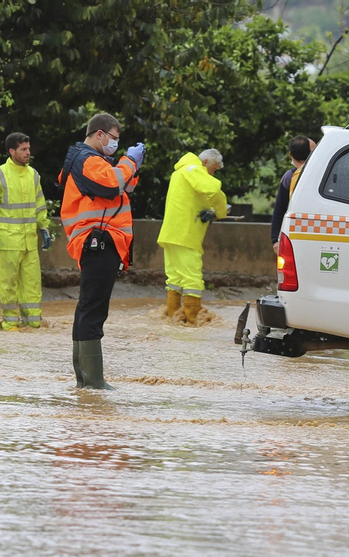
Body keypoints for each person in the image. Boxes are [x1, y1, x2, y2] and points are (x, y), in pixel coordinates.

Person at [58, 113, 145, 389]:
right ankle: (93, 382)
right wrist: (129, 161)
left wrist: (132, 167)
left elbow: (124, 185)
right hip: (99, 241)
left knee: (88, 307)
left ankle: (85, 381)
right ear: (99, 134)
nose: (116, 144)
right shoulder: (87, 160)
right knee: (93, 310)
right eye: (113, 138)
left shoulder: (94, 161)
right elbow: (111, 185)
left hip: (98, 241)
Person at [0, 132, 50, 330]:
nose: (28, 153)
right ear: (12, 151)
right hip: (8, 242)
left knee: (33, 285)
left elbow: (40, 206)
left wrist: (45, 228)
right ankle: (10, 323)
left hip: (29, 243)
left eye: (29, 149)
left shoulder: (33, 175)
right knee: (8, 284)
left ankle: (33, 324)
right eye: (23, 149)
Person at [157, 148, 228, 323]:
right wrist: (220, 211)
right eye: (214, 169)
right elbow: (213, 190)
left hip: (171, 234)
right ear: (206, 163)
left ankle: (174, 318)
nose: (213, 173)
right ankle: (193, 321)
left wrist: (210, 209)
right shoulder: (194, 169)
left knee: (174, 279)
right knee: (192, 281)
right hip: (186, 235)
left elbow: (194, 198)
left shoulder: (180, 172)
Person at [270, 136, 315, 251]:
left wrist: (275, 239)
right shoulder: (320, 173)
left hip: (293, 232)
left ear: (291, 155)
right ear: (311, 153)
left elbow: (279, 209)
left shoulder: (289, 177)